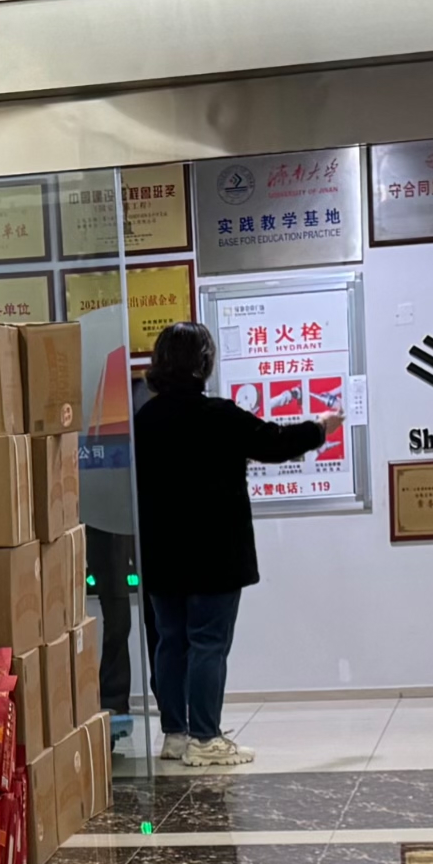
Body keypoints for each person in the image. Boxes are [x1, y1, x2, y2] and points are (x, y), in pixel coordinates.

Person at [130, 320, 339, 769]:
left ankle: (175, 733)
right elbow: (274, 444)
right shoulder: (219, 415)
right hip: (214, 554)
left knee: (170, 641)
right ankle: (206, 738)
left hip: (161, 554)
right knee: (208, 642)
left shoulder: (144, 420)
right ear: (203, 362)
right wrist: (320, 427)